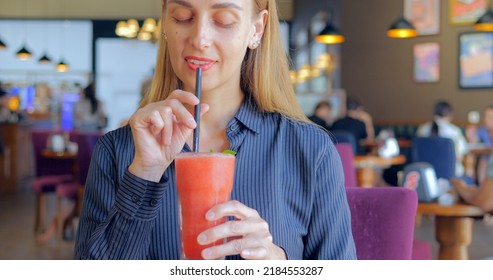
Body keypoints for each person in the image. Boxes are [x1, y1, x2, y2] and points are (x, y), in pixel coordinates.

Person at [74, 0, 356, 260]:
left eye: (223, 20)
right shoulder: (117, 152)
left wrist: (278, 263)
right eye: (182, 17)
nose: (200, 38)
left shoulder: (311, 151)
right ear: (165, 22)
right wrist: (145, 173)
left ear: (256, 29)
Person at [416, 100, 467, 177]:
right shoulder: (454, 131)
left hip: (425, 174)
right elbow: (460, 157)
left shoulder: (422, 129)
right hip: (451, 177)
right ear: (450, 115)